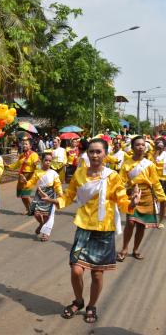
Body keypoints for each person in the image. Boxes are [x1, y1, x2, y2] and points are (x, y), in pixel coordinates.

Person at [39, 138, 140, 324]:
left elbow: (122, 202)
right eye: (91, 151)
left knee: (97, 273)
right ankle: (78, 301)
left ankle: (92, 305)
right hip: (83, 228)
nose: (94, 155)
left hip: (103, 230)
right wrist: (53, 201)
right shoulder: (80, 174)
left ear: (105, 154)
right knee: (76, 270)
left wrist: (132, 203)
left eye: (98, 152)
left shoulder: (112, 177)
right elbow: (69, 196)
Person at [116, 136, 166, 261]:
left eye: (143, 145)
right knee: (130, 222)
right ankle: (124, 248)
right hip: (132, 195)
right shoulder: (126, 164)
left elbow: (155, 182)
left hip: (147, 196)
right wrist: (124, 192)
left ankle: (136, 249)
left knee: (141, 225)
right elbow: (120, 183)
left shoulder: (149, 164)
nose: (140, 147)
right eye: (137, 145)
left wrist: (161, 196)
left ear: (146, 147)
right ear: (132, 147)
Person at [19, 153, 62, 241]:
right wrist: (25, 182)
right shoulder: (37, 172)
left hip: (50, 195)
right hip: (39, 194)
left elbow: (57, 185)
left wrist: (60, 193)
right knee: (37, 213)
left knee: (49, 215)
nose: (48, 162)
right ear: (42, 161)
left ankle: (46, 233)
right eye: (46, 160)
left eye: (50, 161)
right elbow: (31, 182)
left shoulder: (53, 173)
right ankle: (42, 224)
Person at [5, 138, 39, 215]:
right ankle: (28, 209)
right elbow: (16, 165)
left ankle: (33, 209)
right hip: (22, 175)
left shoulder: (34, 155)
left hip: (30, 175)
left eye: (26, 144)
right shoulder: (21, 155)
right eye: (23, 144)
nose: (24, 145)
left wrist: (34, 165)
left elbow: (38, 166)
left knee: (25, 194)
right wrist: (7, 166)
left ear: (30, 146)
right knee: (21, 194)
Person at [153, 138, 166, 227]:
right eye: (157, 146)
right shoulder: (150, 155)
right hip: (155, 180)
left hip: (164, 180)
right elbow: (151, 165)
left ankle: (160, 221)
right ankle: (151, 220)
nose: (159, 148)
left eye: (161, 146)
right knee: (152, 200)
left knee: (163, 200)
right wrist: (156, 154)